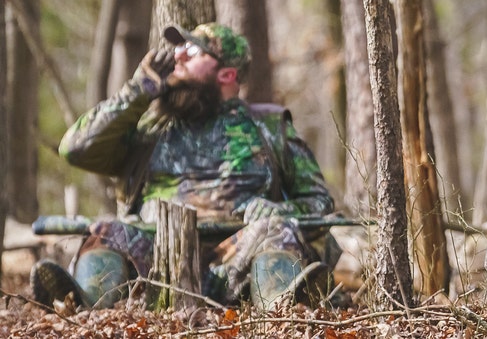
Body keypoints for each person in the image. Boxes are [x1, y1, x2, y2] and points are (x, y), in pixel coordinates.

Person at [30, 22, 339, 310]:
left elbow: (320, 203)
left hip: (237, 261)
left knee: (277, 230)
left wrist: (279, 211)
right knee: (107, 231)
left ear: (226, 74)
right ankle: (85, 307)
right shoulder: (150, 127)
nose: (178, 54)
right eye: (179, 49)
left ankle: (283, 311)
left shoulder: (269, 127)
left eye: (193, 51)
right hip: (156, 266)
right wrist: (138, 90)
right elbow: (74, 149)